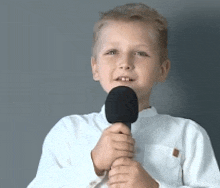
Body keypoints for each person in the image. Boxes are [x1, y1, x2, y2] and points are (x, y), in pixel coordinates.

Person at [27, 3, 220, 188]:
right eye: (112, 52)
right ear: (95, 68)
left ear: (162, 69)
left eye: (140, 53)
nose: (125, 63)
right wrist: (93, 163)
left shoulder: (188, 134)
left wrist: (154, 187)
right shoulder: (69, 131)